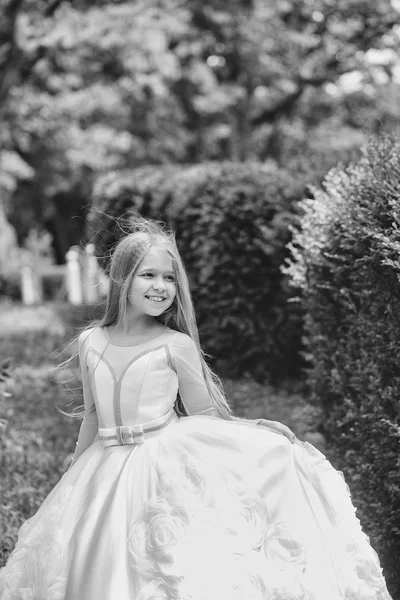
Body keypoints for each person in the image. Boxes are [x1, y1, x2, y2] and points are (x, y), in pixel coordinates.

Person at [0, 217, 392, 600]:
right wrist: (72, 477)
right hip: (102, 467)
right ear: (123, 279)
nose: (161, 287)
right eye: (148, 275)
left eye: (170, 278)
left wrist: (255, 428)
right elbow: (91, 416)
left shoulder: (175, 344)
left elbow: (205, 416)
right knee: (93, 558)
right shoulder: (91, 342)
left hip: (160, 461)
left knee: (165, 563)